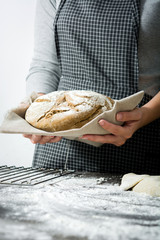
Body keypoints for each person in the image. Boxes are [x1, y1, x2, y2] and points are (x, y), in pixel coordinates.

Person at [23, 0, 160, 174]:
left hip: (138, 138)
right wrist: (38, 108)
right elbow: (46, 65)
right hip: (59, 145)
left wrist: (145, 115)